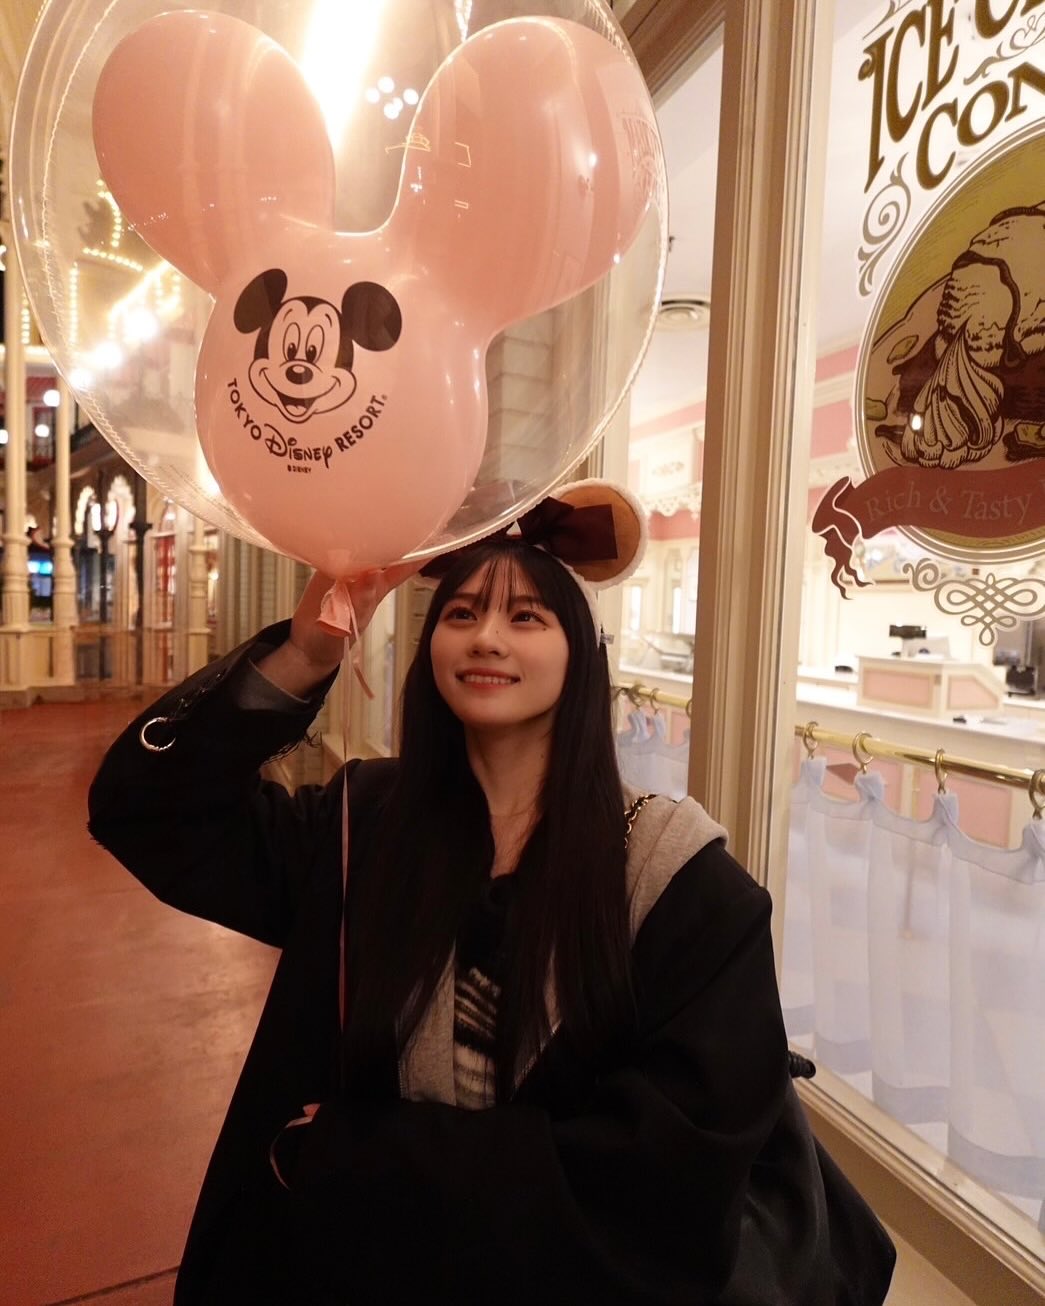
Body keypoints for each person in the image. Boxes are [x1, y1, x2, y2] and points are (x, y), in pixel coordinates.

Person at [88, 481, 894, 1305]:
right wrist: (305, 653)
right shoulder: (357, 830)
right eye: (463, 613)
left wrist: (361, 1154)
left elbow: (666, 1177)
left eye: (526, 617)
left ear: (581, 656)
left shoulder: (680, 887)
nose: (487, 638)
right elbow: (148, 812)